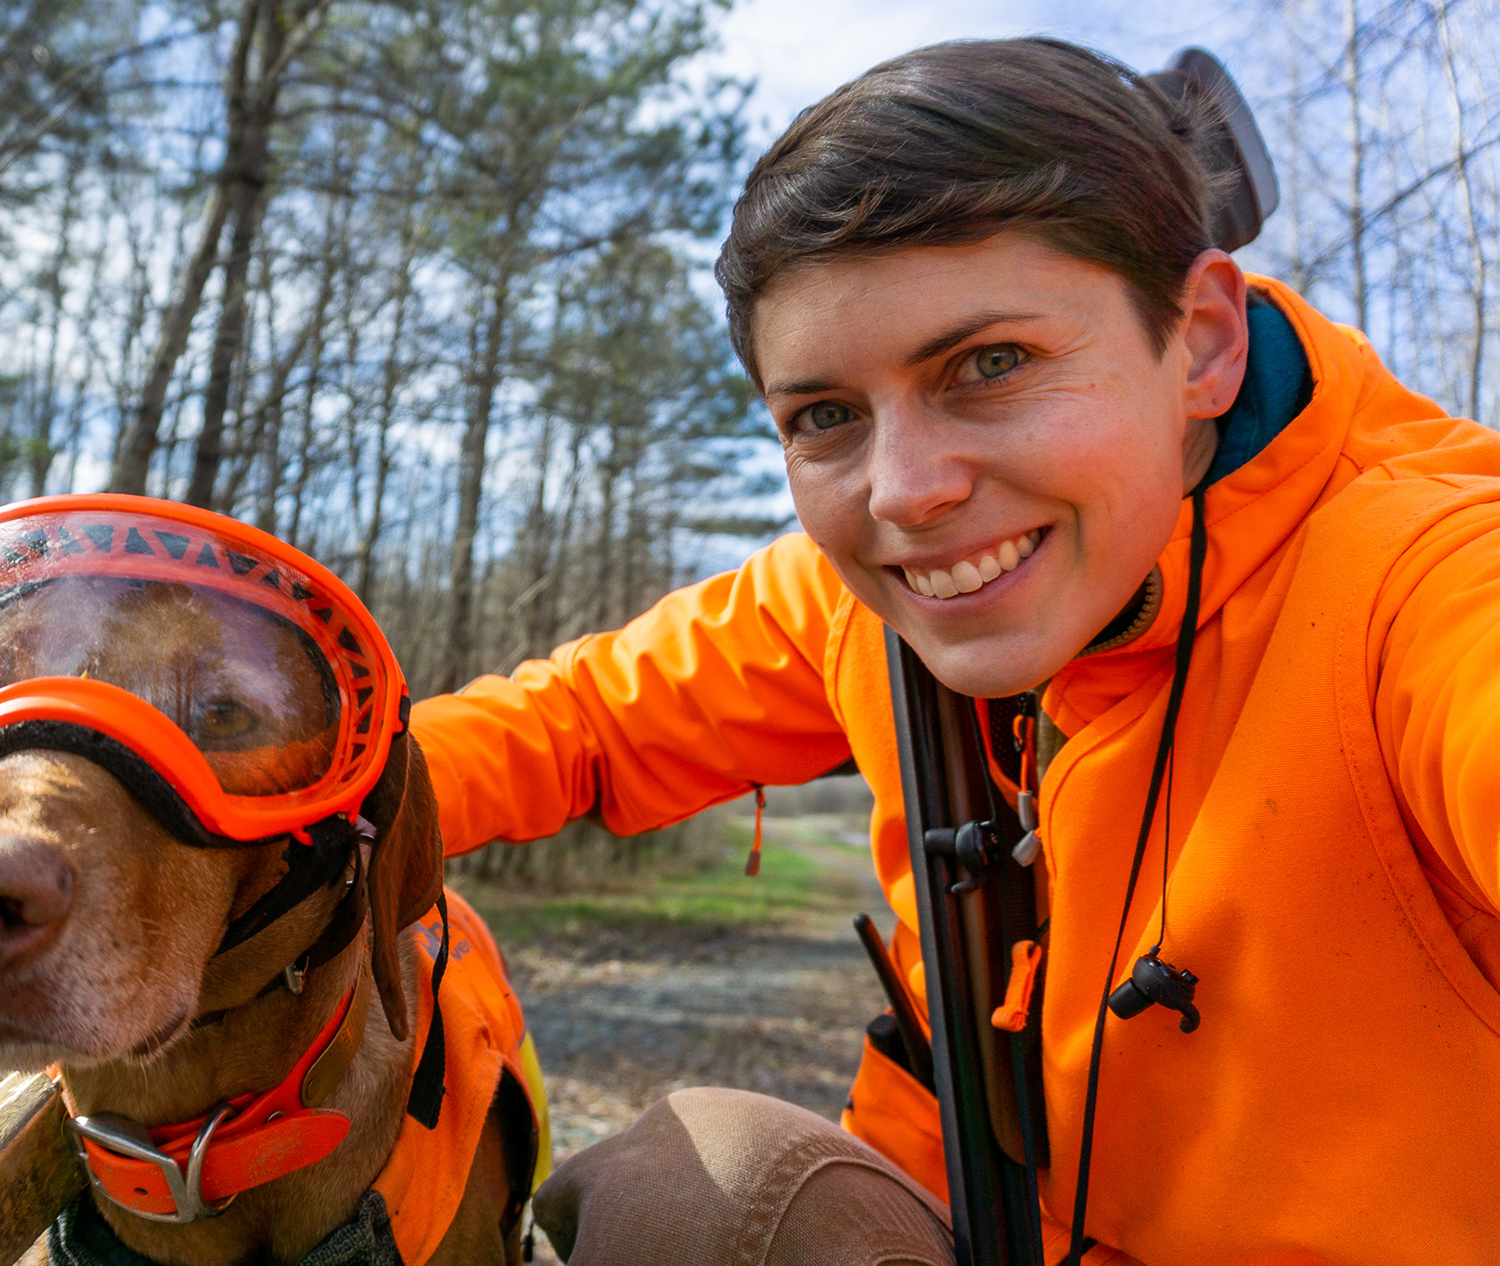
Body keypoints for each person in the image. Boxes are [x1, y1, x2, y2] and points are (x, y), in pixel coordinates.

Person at [405, 36, 1500, 1266]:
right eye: (825, 417)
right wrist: (259, 797)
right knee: (696, 1184)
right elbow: (577, 722)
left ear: (1199, 343)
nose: (906, 493)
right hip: (961, 1224)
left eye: (990, 365)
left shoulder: (1427, 577)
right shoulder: (857, 598)